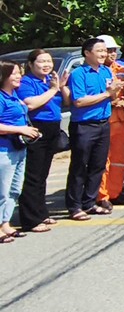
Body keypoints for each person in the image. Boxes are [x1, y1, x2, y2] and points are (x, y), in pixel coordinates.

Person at [66, 38, 124, 220]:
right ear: (87, 53)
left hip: (103, 123)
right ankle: (75, 206)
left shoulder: (106, 71)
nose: (103, 54)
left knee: (98, 166)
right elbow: (79, 101)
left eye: (105, 50)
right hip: (84, 126)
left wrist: (115, 92)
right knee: (79, 167)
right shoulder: (79, 74)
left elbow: (110, 96)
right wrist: (108, 94)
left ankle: (89, 203)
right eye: (99, 50)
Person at [15, 50, 64, 232]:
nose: (46, 65)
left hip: (51, 129)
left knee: (43, 175)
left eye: (49, 61)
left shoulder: (49, 81)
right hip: (36, 129)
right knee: (33, 176)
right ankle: (30, 219)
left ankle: (41, 212)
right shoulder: (26, 82)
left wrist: (59, 87)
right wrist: (53, 90)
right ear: (30, 64)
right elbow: (31, 104)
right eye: (41, 61)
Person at [1, 61, 39, 242]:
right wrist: (20, 130)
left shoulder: (13, 95)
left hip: (18, 148)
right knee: (2, 190)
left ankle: (5, 223)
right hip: (4, 150)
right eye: (14, 74)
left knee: (14, 189)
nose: (19, 77)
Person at [95, 35, 124, 211]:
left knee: (120, 158)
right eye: (109, 51)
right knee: (103, 159)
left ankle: (116, 191)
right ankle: (102, 195)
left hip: (121, 120)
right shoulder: (96, 72)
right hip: (104, 119)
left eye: (115, 50)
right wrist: (112, 102)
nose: (112, 54)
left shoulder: (122, 70)